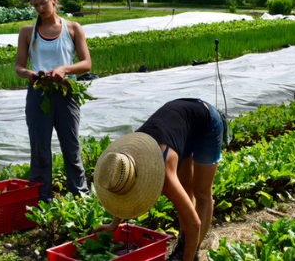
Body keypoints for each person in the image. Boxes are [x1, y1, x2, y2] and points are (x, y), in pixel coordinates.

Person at [94, 98, 227, 261]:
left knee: (201, 191)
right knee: (185, 187)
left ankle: (194, 250)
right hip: (178, 127)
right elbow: (123, 182)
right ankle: (185, 244)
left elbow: (194, 224)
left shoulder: (163, 175)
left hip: (206, 120)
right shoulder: (127, 155)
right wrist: (113, 225)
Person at [14, 0, 91, 203]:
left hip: (67, 94)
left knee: (71, 147)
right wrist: (29, 73)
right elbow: (19, 67)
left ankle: (80, 198)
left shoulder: (72, 28)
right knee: (40, 150)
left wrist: (64, 69)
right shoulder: (28, 32)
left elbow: (86, 63)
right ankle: (41, 201)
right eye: (35, 4)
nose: (39, 8)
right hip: (39, 95)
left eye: (43, 2)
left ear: (54, 0)